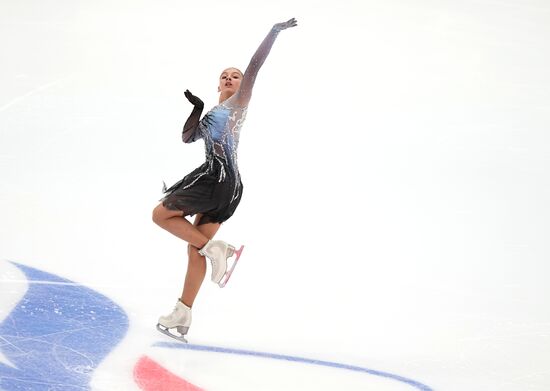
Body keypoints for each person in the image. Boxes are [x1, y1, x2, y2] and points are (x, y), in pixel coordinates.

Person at [152, 18, 298, 342]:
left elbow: (255, 66)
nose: (230, 79)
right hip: (228, 186)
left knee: (160, 215)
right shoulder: (212, 116)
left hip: (217, 179)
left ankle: (216, 249)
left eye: (235, 76)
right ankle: (183, 312)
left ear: (241, 86)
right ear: (218, 85)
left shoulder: (237, 104)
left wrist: (272, 32)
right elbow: (188, 137)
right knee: (195, 249)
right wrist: (198, 108)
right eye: (224, 76)